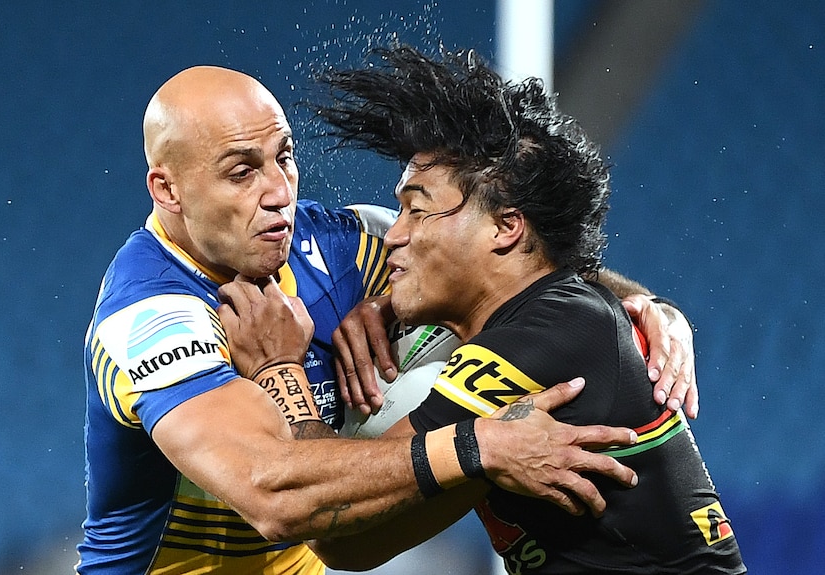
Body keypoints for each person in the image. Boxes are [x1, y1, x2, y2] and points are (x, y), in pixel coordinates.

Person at [77, 64, 695, 574]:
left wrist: (641, 302)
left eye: (284, 157)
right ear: (168, 190)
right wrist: (480, 443)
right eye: (242, 171)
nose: (278, 192)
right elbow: (273, 494)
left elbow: (512, 269)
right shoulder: (153, 319)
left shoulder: (335, 249)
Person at [287, 46, 745, 573]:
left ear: (506, 228)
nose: (394, 234)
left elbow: (325, 508)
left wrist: (281, 368)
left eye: (417, 209)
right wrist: (395, 306)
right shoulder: (549, 337)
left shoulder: (549, 336)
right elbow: (349, 546)